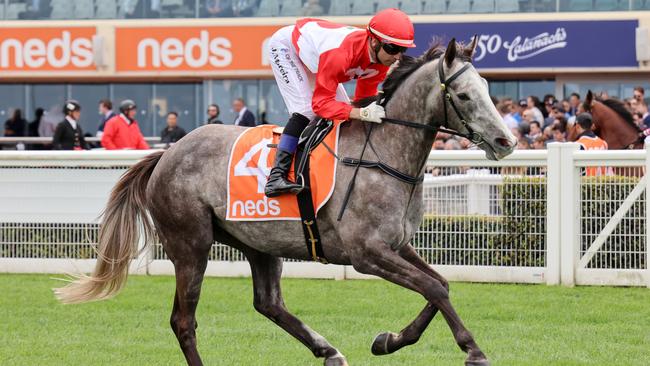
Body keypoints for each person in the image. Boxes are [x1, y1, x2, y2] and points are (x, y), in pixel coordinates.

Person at [264, 8, 415, 197]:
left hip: (317, 57)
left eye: (403, 49)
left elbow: (362, 101)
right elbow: (320, 104)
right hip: (287, 47)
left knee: (344, 113)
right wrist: (361, 113)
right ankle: (276, 176)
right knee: (306, 110)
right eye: (392, 48)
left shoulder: (380, 62)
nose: (397, 56)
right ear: (374, 41)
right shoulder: (340, 55)